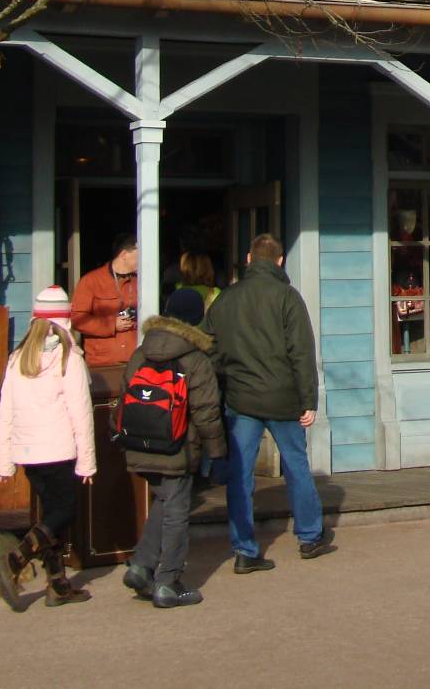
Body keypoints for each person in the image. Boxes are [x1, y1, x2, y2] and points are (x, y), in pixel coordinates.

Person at [203, 233, 323, 570]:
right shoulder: (287, 297)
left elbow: (207, 349)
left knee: (240, 474)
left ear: (248, 259)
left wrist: (223, 381)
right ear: (280, 261)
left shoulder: (225, 300)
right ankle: (310, 536)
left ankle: (244, 549)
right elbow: (301, 351)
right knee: (297, 466)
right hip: (284, 397)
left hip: (241, 398)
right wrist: (308, 399)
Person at [0, 284, 97, 610]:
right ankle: (15, 560)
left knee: (52, 517)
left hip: (28, 453)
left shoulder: (18, 357)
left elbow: (4, 411)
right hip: (58, 449)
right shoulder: (68, 357)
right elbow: (81, 412)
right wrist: (88, 462)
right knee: (64, 511)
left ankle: (58, 585)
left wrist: (4, 461)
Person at [121, 287, 228, 608]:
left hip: (141, 441)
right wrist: (217, 451)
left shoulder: (142, 351)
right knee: (177, 511)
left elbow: (127, 392)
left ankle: (141, 565)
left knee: (164, 502)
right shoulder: (196, 358)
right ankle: (168, 580)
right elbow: (207, 410)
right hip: (178, 445)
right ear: (197, 319)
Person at [71, 233, 140, 368]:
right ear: (124, 254)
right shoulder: (91, 281)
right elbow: (76, 319)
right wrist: (111, 325)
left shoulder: (141, 282)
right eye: (139, 254)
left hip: (135, 360)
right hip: (102, 362)